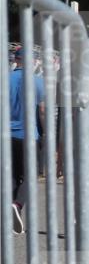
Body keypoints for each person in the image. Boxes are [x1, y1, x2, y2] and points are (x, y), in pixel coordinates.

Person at [9, 46, 45, 235]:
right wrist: (47, 132)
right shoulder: (37, 81)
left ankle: (12, 212)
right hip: (28, 135)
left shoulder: (5, 79)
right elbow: (42, 110)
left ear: (16, 60)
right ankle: (17, 204)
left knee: (12, 175)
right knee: (30, 175)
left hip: (6, 135)